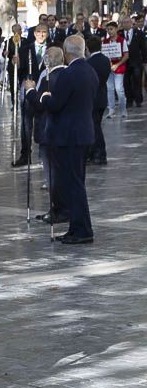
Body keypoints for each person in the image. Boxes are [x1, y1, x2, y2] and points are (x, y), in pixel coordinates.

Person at [39, 36, 97, 244]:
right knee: (76, 183)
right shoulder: (90, 71)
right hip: (84, 133)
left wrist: (44, 97)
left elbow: (55, 104)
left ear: (66, 51)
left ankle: (82, 229)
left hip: (70, 136)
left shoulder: (68, 74)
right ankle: (77, 226)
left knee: (73, 184)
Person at [25, 47, 67, 225]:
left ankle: (58, 209)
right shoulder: (67, 75)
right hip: (62, 132)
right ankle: (58, 207)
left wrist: (30, 91)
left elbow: (40, 104)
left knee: (52, 173)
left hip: (48, 132)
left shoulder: (51, 78)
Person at [14, 24, 49, 166]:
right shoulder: (25, 49)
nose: (41, 35)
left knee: (44, 121)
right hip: (29, 88)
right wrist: (15, 63)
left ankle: (44, 153)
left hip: (45, 89)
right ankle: (25, 154)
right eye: (39, 32)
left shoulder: (52, 49)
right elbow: (19, 70)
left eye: (44, 32)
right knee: (26, 123)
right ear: (34, 33)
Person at [86, 34, 111, 165]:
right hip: (102, 96)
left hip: (93, 99)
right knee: (96, 125)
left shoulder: (89, 63)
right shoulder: (106, 60)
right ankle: (93, 152)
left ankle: (99, 153)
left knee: (95, 127)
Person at [104, 21, 128, 118]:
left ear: (116, 29)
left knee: (119, 89)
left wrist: (117, 64)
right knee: (109, 89)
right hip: (109, 68)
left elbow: (126, 55)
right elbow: (104, 54)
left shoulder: (122, 40)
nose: (110, 31)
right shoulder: (105, 41)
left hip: (119, 68)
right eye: (108, 29)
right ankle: (111, 110)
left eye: (111, 29)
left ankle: (123, 110)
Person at [124, 15, 145, 108]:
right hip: (124, 62)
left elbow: (143, 47)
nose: (126, 24)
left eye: (128, 22)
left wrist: (145, 60)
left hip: (136, 61)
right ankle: (129, 100)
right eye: (124, 22)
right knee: (126, 82)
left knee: (137, 80)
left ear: (131, 23)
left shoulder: (139, 33)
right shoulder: (120, 33)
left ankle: (138, 100)